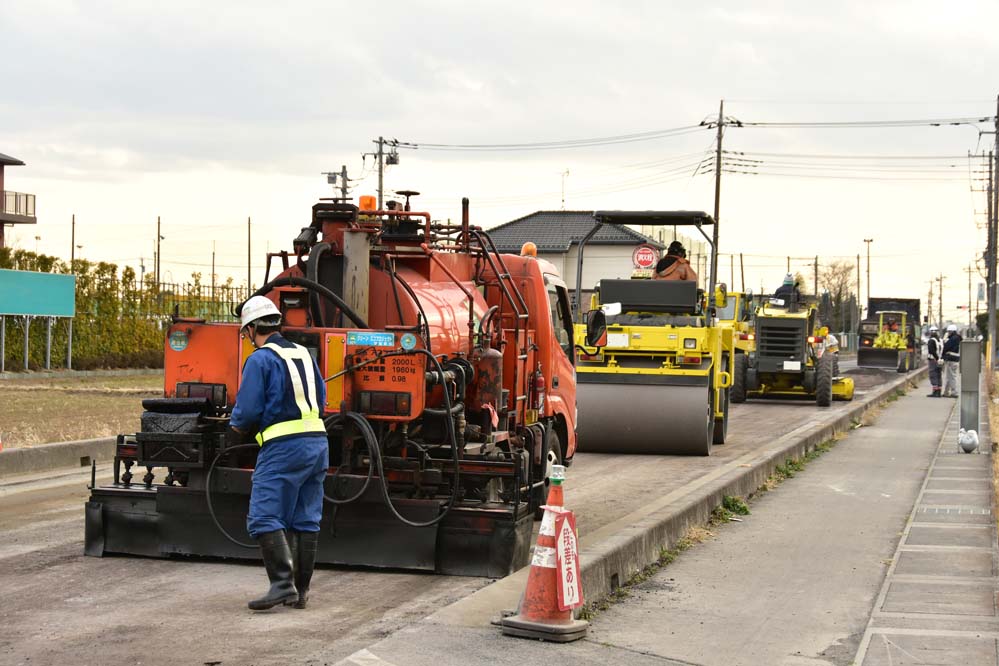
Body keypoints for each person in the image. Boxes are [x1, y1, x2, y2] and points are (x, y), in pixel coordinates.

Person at [230, 295, 329, 611]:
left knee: (264, 515)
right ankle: (300, 591)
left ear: (253, 328)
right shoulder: (303, 354)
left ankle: (282, 585)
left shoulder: (260, 360)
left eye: (247, 332)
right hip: (317, 445)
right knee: (305, 518)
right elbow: (322, 400)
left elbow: (246, 413)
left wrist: (232, 433)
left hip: (284, 448)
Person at [941, 323, 962, 398]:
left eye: (949, 332)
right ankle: (946, 392)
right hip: (955, 359)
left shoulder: (953, 339)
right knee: (949, 376)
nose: (948, 333)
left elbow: (946, 346)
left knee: (952, 376)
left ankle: (954, 392)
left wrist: (945, 340)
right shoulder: (958, 338)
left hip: (951, 359)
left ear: (952, 331)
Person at [925, 325, 943, 397]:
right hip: (940, 360)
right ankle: (939, 391)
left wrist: (936, 358)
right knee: (939, 375)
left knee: (933, 374)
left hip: (933, 360)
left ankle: (935, 391)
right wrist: (940, 359)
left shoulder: (931, 340)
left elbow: (931, 350)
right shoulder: (940, 340)